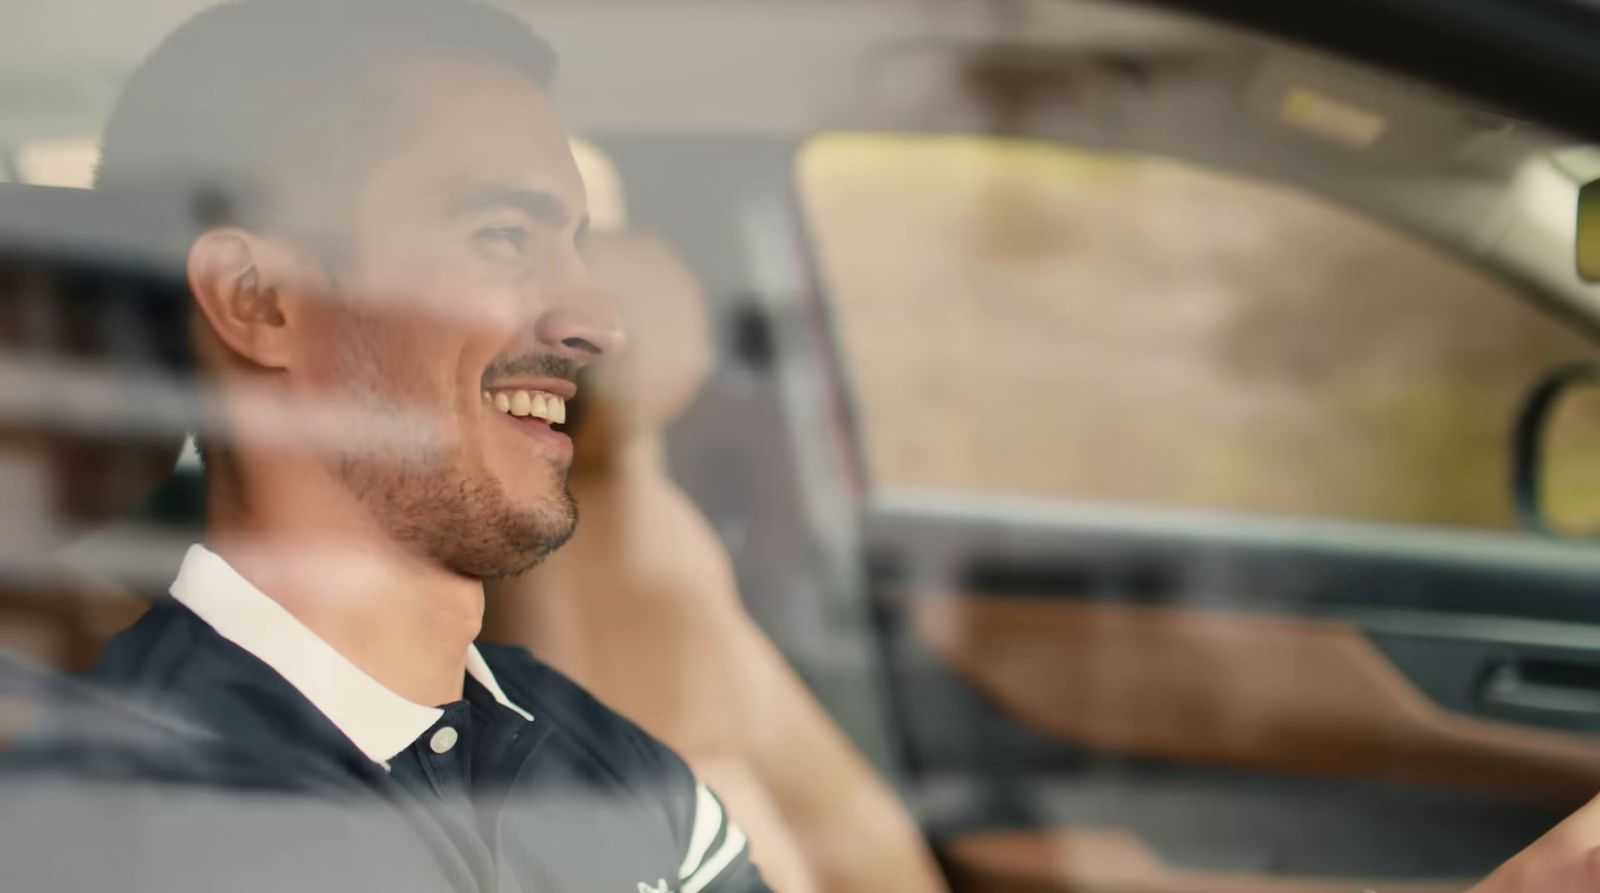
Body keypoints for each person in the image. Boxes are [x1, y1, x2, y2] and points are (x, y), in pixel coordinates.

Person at [5, 1, 769, 890]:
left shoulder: (617, 767)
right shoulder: (106, 832)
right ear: (258, 299)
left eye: (576, 247)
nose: (597, 322)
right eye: (503, 237)